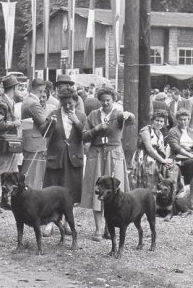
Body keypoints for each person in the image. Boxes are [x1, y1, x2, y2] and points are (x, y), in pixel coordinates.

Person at [81, 87, 135, 241]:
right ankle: (98, 229)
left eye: (108, 100)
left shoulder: (119, 114)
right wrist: (96, 129)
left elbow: (131, 120)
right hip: (97, 154)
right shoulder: (93, 115)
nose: (105, 103)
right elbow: (84, 136)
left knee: (114, 192)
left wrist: (128, 114)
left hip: (114, 154)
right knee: (98, 190)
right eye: (103, 100)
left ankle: (108, 228)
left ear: (114, 100)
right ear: (99, 100)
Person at [42, 87, 86, 236]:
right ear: (60, 102)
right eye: (65, 103)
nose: (68, 106)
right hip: (56, 158)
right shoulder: (54, 114)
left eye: (71, 103)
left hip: (73, 159)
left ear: (76, 101)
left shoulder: (81, 115)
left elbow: (86, 136)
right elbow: (43, 132)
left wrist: (77, 123)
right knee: (51, 191)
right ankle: (49, 224)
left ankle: (68, 222)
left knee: (71, 192)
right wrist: (51, 124)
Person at [0, 75, 22, 213]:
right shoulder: (2, 102)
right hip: (2, 141)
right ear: (14, 87)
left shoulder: (8, 101)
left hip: (9, 140)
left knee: (9, 172)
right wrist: (15, 123)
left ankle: (4, 201)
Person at [20, 78, 54, 190]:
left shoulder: (27, 100)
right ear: (41, 89)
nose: (43, 94)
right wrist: (52, 119)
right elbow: (45, 123)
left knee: (30, 174)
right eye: (43, 91)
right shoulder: (34, 103)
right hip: (35, 144)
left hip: (29, 141)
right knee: (33, 177)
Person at [129, 110, 173, 190]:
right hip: (144, 157)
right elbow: (149, 148)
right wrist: (162, 160)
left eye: (161, 121)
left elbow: (162, 149)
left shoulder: (160, 133)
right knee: (149, 173)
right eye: (157, 120)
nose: (159, 123)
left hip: (156, 157)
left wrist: (165, 160)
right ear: (152, 120)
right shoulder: (146, 130)